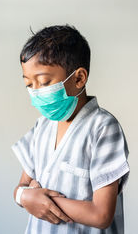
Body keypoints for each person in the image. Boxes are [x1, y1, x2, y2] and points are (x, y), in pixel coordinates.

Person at [11, 25, 130, 233]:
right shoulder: (42, 126)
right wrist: (24, 196)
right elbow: (21, 188)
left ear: (78, 78)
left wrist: (40, 200)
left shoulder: (102, 128)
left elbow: (101, 214)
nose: (35, 92)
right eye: (29, 85)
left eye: (44, 82)